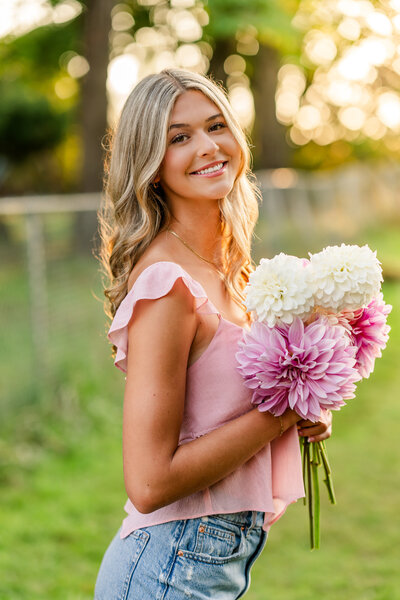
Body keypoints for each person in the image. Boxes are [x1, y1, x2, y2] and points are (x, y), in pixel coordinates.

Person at [94, 68, 332, 599]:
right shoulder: (166, 285)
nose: (207, 146)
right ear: (152, 166)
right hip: (167, 568)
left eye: (216, 125)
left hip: (213, 561)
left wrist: (305, 412)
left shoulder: (234, 271)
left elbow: (224, 412)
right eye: (179, 137)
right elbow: (150, 482)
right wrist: (282, 413)